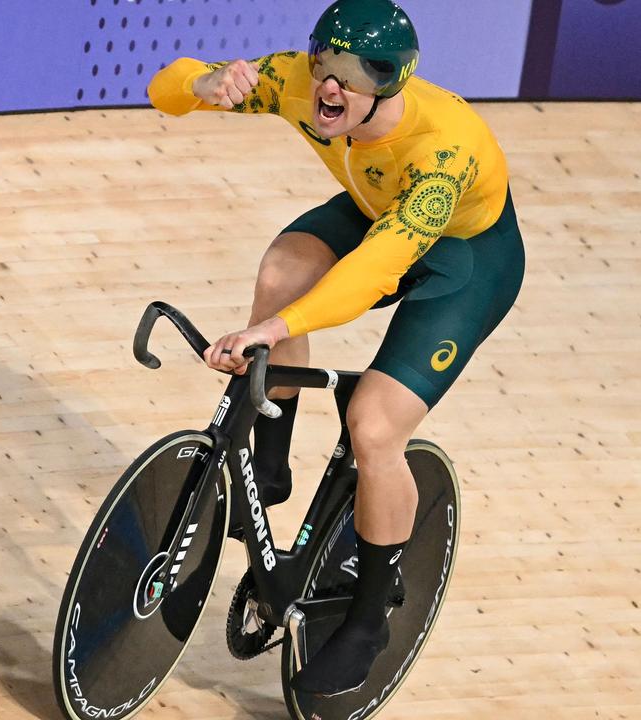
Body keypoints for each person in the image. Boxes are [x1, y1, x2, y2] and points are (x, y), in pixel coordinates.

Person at [148, 0, 525, 697]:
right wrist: (199, 86)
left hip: (462, 261)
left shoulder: (444, 149)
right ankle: (271, 461)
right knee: (280, 270)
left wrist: (275, 330)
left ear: (388, 84)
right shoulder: (298, 80)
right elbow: (164, 89)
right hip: (378, 207)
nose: (329, 87)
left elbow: (374, 270)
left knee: (375, 427)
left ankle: (369, 613)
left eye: (350, 77)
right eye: (325, 64)